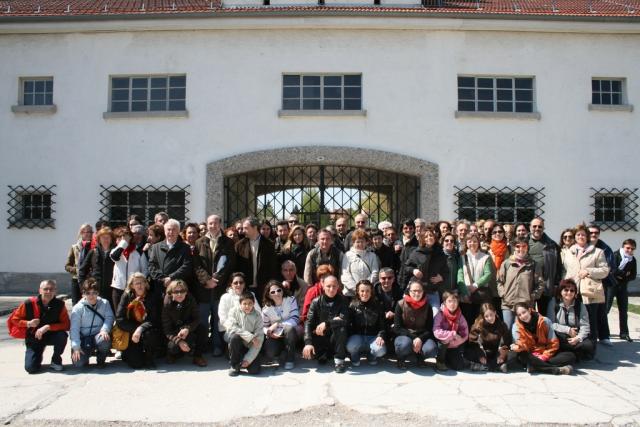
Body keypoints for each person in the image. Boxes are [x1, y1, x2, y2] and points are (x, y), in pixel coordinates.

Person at [193, 214, 236, 356]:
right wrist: (206, 280)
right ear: (207, 224)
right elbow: (197, 265)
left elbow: (229, 264)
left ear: (220, 224)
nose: (213, 226)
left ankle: (217, 346)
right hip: (204, 289)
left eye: (216, 223)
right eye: (210, 223)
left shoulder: (228, 242)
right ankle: (204, 345)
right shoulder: (199, 242)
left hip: (219, 288)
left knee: (219, 319)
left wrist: (216, 279)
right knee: (203, 319)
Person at [561, 224, 610, 346]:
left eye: (583, 234)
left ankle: (591, 346)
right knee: (576, 319)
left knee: (591, 320)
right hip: (573, 291)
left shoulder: (597, 252)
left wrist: (589, 271)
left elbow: (605, 271)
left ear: (587, 237)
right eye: (578, 234)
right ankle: (577, 345)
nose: (580, 237)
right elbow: (566, 270)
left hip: (589, 291)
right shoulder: (569, 252)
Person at [10, 280, 70, 373]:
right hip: (34, 337)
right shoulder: (28, 303)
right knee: (31, 368)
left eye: (51, 289)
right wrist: (28, 323)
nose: (48, 292)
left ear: (55, 291)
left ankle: (56, 360)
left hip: (52, 335)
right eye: (45, 289)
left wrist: (48, 327)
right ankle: (38, 353)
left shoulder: (60, 305)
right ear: (40, 290)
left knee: (62, 335)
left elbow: (66, 325)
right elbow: (14, 319)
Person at [510, 302, 575, 375]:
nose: (523, 316)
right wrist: (518, 347)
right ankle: (556, 370)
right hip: (531, 355)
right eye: (519, 315)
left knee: (570, 356)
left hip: (546, 353)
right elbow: (521, 344)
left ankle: (535, 366)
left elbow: (553, 343)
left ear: (529, 310)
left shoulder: (545, 321)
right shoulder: (516, 327)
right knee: (522, 355)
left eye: (524, 312)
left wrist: (544, 356)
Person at [302, 275, 349, 373]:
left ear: (338, 287)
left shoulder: (343, 301)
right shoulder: (315, 302)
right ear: (323, 286)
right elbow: (308, 322)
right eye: (328, 286)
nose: (331, 289)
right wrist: (308, 343)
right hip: (320, 336)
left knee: (341, 328)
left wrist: (327, 323)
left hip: (335, 337)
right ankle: (324, 354)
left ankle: (339, 361)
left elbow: (344, 320)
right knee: (317, 357)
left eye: (334, 286)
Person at [496, 237, 544, 330]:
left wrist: (532, 296)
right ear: (514, 247)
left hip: (525, 305)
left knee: (521, 331)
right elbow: (499, 281)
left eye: (524, 246)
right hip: (508, 303)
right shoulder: (506, 264)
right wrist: (503, 294)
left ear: (527, 248)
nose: (521, 249)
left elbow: (540, 284)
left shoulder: (533, 265)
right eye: (518, 246)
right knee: (507, 329)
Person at [115, 273, 161, 369]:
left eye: (142, 283)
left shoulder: (152, 296)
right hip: (131, 331)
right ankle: (128, 353)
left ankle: (149, 358)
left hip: (147, 329)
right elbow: (120, 319)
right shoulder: (126, 296)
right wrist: (135, 329)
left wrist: (140, 329)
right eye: (137, 283)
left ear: (146, 284)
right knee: (136, 364)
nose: (140, 286)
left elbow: (154, 319)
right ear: (132, 285)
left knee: (151, 334)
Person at [393, 279, 438, 370]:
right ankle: (401, 358)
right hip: (405, 335)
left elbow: (429, 328)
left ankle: (420, 357)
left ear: (423, 292)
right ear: (409, 291)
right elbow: (397, 328)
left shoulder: (427, 306)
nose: (416, 293)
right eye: (414, 291)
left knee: (431, 349)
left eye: (419, 291)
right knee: (403, 346)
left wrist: (420, 338)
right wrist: (414, 338)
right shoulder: (400, 304)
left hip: (421, 334)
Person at [162, 280, 208, 367]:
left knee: (202, 329)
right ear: (171, 293)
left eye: (182, 291)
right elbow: (167, 330)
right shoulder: (167, 304)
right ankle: (173, 355)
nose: (180, 294)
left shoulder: (191, 299)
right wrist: (179, 342)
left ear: (186, 292)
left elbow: (197, 318)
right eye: (176, 292)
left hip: (187, 328)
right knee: (173, 347)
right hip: (174, 332)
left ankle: (197, 356)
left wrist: (188, 328)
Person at [69, 278, 114, 368]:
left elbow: (109, 318)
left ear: (98, 293)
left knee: (105, 340)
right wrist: (76, 347)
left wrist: (105, 329)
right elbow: (74, 329)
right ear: (83, 294)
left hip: (98, 335)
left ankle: (101, 359)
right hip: (84, 338)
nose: (91, 296)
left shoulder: (105, 303)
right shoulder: (78, 308)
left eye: (94, 293)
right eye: (88, 293)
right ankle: (86, 355)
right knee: (79, 364)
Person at [404, 226, 448, 315]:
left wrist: (441, 277)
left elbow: (446, 270)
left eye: (431, 235)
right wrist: (414, 271)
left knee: (436, 315)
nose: (429, 238)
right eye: (426, 236)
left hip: (433, 291)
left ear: (435, 237)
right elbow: (406, 267)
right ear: (422, 239)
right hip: (418, 291)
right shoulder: (416, 253)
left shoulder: (440, 253)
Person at [148, 219, 193, 301]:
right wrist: (163, 279)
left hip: (178, 289)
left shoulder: (185, 248)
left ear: (178, 231)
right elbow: (152, 266)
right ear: (165, 231)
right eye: (168, 229)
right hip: (160, 288)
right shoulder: (156, 247)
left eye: (174, 230)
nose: (171, 232)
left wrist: (171, 278)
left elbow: (187, 266)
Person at [550, 279, 595, 361]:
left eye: (572, 290)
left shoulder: (580, 306)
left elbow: (585, 326)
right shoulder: (554, 303)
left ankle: (568, 351)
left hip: (575, 336)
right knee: (555, 341)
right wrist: (568, 330)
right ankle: (573, 353)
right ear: (560, 291)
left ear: (575, 293)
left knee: (589, 345)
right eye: (566, 290)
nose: (569, 293)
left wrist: (578, 338)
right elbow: (550, 324)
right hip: (560, 335)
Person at [235, 216, 278, 299]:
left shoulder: (269, 245)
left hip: (263, 288)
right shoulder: (239, 245)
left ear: (255, 227)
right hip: (245, 288)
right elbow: (236, 267)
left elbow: (272, 268)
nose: (243, 231)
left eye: (246, 228)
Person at [261, 280, 301, 370]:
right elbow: (264, 326)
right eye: (273, 292)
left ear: (282, 290)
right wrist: (268, 332)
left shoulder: (291, 300)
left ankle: (290, 358)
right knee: (270, 351)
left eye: (279, 290)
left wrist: (277, 324)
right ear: (269, 295)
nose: (276, 293)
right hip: (275, 335)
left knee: (289, 328)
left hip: (290, 332)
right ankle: (278, 355)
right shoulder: (265, 309)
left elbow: (295, 319)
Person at [347, 280, 387, 366]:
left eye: (367, 291)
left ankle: (371, 356)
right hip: (357, 336)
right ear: (358, 292)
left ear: (371, 292)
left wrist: (380, 336)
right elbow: (348, 324)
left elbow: (382, 325)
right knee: (350, 345)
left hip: (372, 337)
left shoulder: (378, 305)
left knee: (381, 350)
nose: (365, 293)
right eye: (362, 291)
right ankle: (355, 356)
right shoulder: (353, 305)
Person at [457, 234, 494, 325]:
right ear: (466, 243)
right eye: (469, 241)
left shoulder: (485, 257)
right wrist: (464, 291)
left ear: (478, 243)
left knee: (481, 321)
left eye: (474, 241)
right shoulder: (462, 257)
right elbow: (460, 275)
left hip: (481, 296)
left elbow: (488, 274)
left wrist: (475, 285)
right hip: (466, 296)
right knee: (467, 321)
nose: (472, 243)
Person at [588, 224, 616, 345]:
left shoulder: (605, 248)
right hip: (586, 282)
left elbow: (610, 266)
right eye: (591, 233)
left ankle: (604, 336)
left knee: (601, 310)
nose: (593, 235)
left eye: (596, 233)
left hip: (600, 283)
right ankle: (589, 336)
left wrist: (594, 272)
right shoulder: (583, 245)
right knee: (588, 311)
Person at [528, 218, 561, 317]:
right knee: (529, 316)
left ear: (543, 228)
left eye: (540, 226)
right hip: (529, 286)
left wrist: (556, 283)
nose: (537, 228)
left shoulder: (552, 244)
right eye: (534, 226)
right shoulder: (523, 243)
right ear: (530, 228)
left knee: (545, 316)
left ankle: (543, 333)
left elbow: (558, 266)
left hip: (546, 286)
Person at [225, 292, 264, 376]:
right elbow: (232, 327)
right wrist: (250, 337)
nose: (247, 306)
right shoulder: (233, 311)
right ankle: (234, 365)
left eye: (250, 303)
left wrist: (248, 359)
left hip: (250, 346)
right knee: (234, 337)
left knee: (254, 371)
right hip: (238, 343)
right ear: (240, 304)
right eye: (244, 304)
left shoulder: (258, 316)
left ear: (254, 303)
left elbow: (259, 339)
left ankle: (245, 359)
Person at [110, 226, 146, 313]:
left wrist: (139, 283)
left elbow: (145, 270)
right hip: (118, 288)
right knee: (118, 314)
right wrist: (123, 243)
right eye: (119, 238)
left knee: (132, 314)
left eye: (125, 238)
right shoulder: (115, 251)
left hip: (134, 289)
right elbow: (115, 257)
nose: (122, 241)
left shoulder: (139, 253)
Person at [466, 303, 511, 372]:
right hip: (482, 351)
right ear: (483, 317)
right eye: (486, 316)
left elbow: (506, 342)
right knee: (468, 352)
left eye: (491, 315)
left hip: (495, 352)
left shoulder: (501, 325)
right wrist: (480, 355)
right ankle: (489, 366)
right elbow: (473, 342)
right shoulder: (478, 325)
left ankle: (488, 366)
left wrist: (502, 355)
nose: (490, 318)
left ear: (495, 313)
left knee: (507, 356)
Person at [79, 227, 116, 310]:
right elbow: (82, 270)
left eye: (108, 237)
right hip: (96, 290)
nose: (105, 240)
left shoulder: (115, 252)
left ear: (111, 239)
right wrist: (83, 287)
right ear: (99, 239)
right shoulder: (93, 252)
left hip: (111, 289)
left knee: (110, 314)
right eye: (103, 237)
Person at [218, 272, 261, 342]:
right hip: (230, 331)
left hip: (250, 328)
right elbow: (223, 319)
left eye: (241, 282)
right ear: (231, 284)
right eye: (235, 283)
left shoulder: (251, 295)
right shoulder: (225, 297)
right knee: (236, 337)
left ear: (244, 284)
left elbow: (259, 312)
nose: (238, 285)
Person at [433, 291, 468, 371]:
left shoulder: (460, 316)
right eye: (450, 301)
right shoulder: (440, 314)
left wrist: (455, 341)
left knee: (459, 366)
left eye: (455, 301)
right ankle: (440, 361)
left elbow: (465, 333)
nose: (452, 304)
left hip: (454, 345)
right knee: (444, 341)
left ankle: (448, 359)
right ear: (445, 302)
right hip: (441, 344)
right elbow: (436, 331)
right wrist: (452, 334)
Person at [609, 239, 637, 342]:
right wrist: (624, 274)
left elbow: (633, 275)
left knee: (624, 310)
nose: (630, 250)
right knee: (606, 308)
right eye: (628, 248)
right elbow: (612, 270)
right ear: (623, 247)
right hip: (611, 285)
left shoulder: (632, 260)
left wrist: (623, 276)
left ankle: (624, 333)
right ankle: (602, 332)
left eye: (632, 249)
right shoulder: (615, 255)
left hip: (623, 286)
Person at [341, 229, 379, 298]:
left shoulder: (372, 255)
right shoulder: (347, 255)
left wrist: (364, 288)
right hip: (350, 294)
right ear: (353, 242)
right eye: (358, 242)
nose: (360, 244)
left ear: (366, 242)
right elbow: (345, 274)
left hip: (367, 293)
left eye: (362, 242)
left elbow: (375, 272)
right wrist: (356, 290)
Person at [65, 223, 94, 305]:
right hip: (76, 280)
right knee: (76, 303)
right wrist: (77, 269)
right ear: (81, 233)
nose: (90, 234)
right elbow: (67, 266)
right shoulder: (74, 247)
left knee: (90, 303)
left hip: (90, 280)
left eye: (91, 232)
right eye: (87, 232)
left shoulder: (95, 247)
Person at [374, 267, 403, 341]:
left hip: (395, 320)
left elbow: (403, 309)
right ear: (379, 279)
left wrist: (394, 314)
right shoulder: (374, 291)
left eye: (389, 278)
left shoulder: (399, 290)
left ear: (394, 278)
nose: (386, 280)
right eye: (383, 278)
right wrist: (384, 313)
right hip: (378, 321)